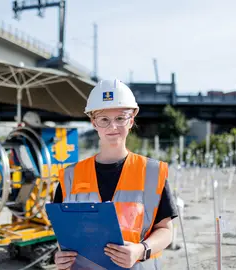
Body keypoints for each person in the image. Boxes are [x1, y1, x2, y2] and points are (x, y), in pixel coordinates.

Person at [52, 79, 178, 270]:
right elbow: (63, 234)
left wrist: (140, 250)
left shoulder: (151, 173)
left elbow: (165, 231)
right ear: (93, 122)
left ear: (131, 120)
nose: (113, 127)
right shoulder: (70, 176)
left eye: (120, 118)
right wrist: (59, 256)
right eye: (104, 119)